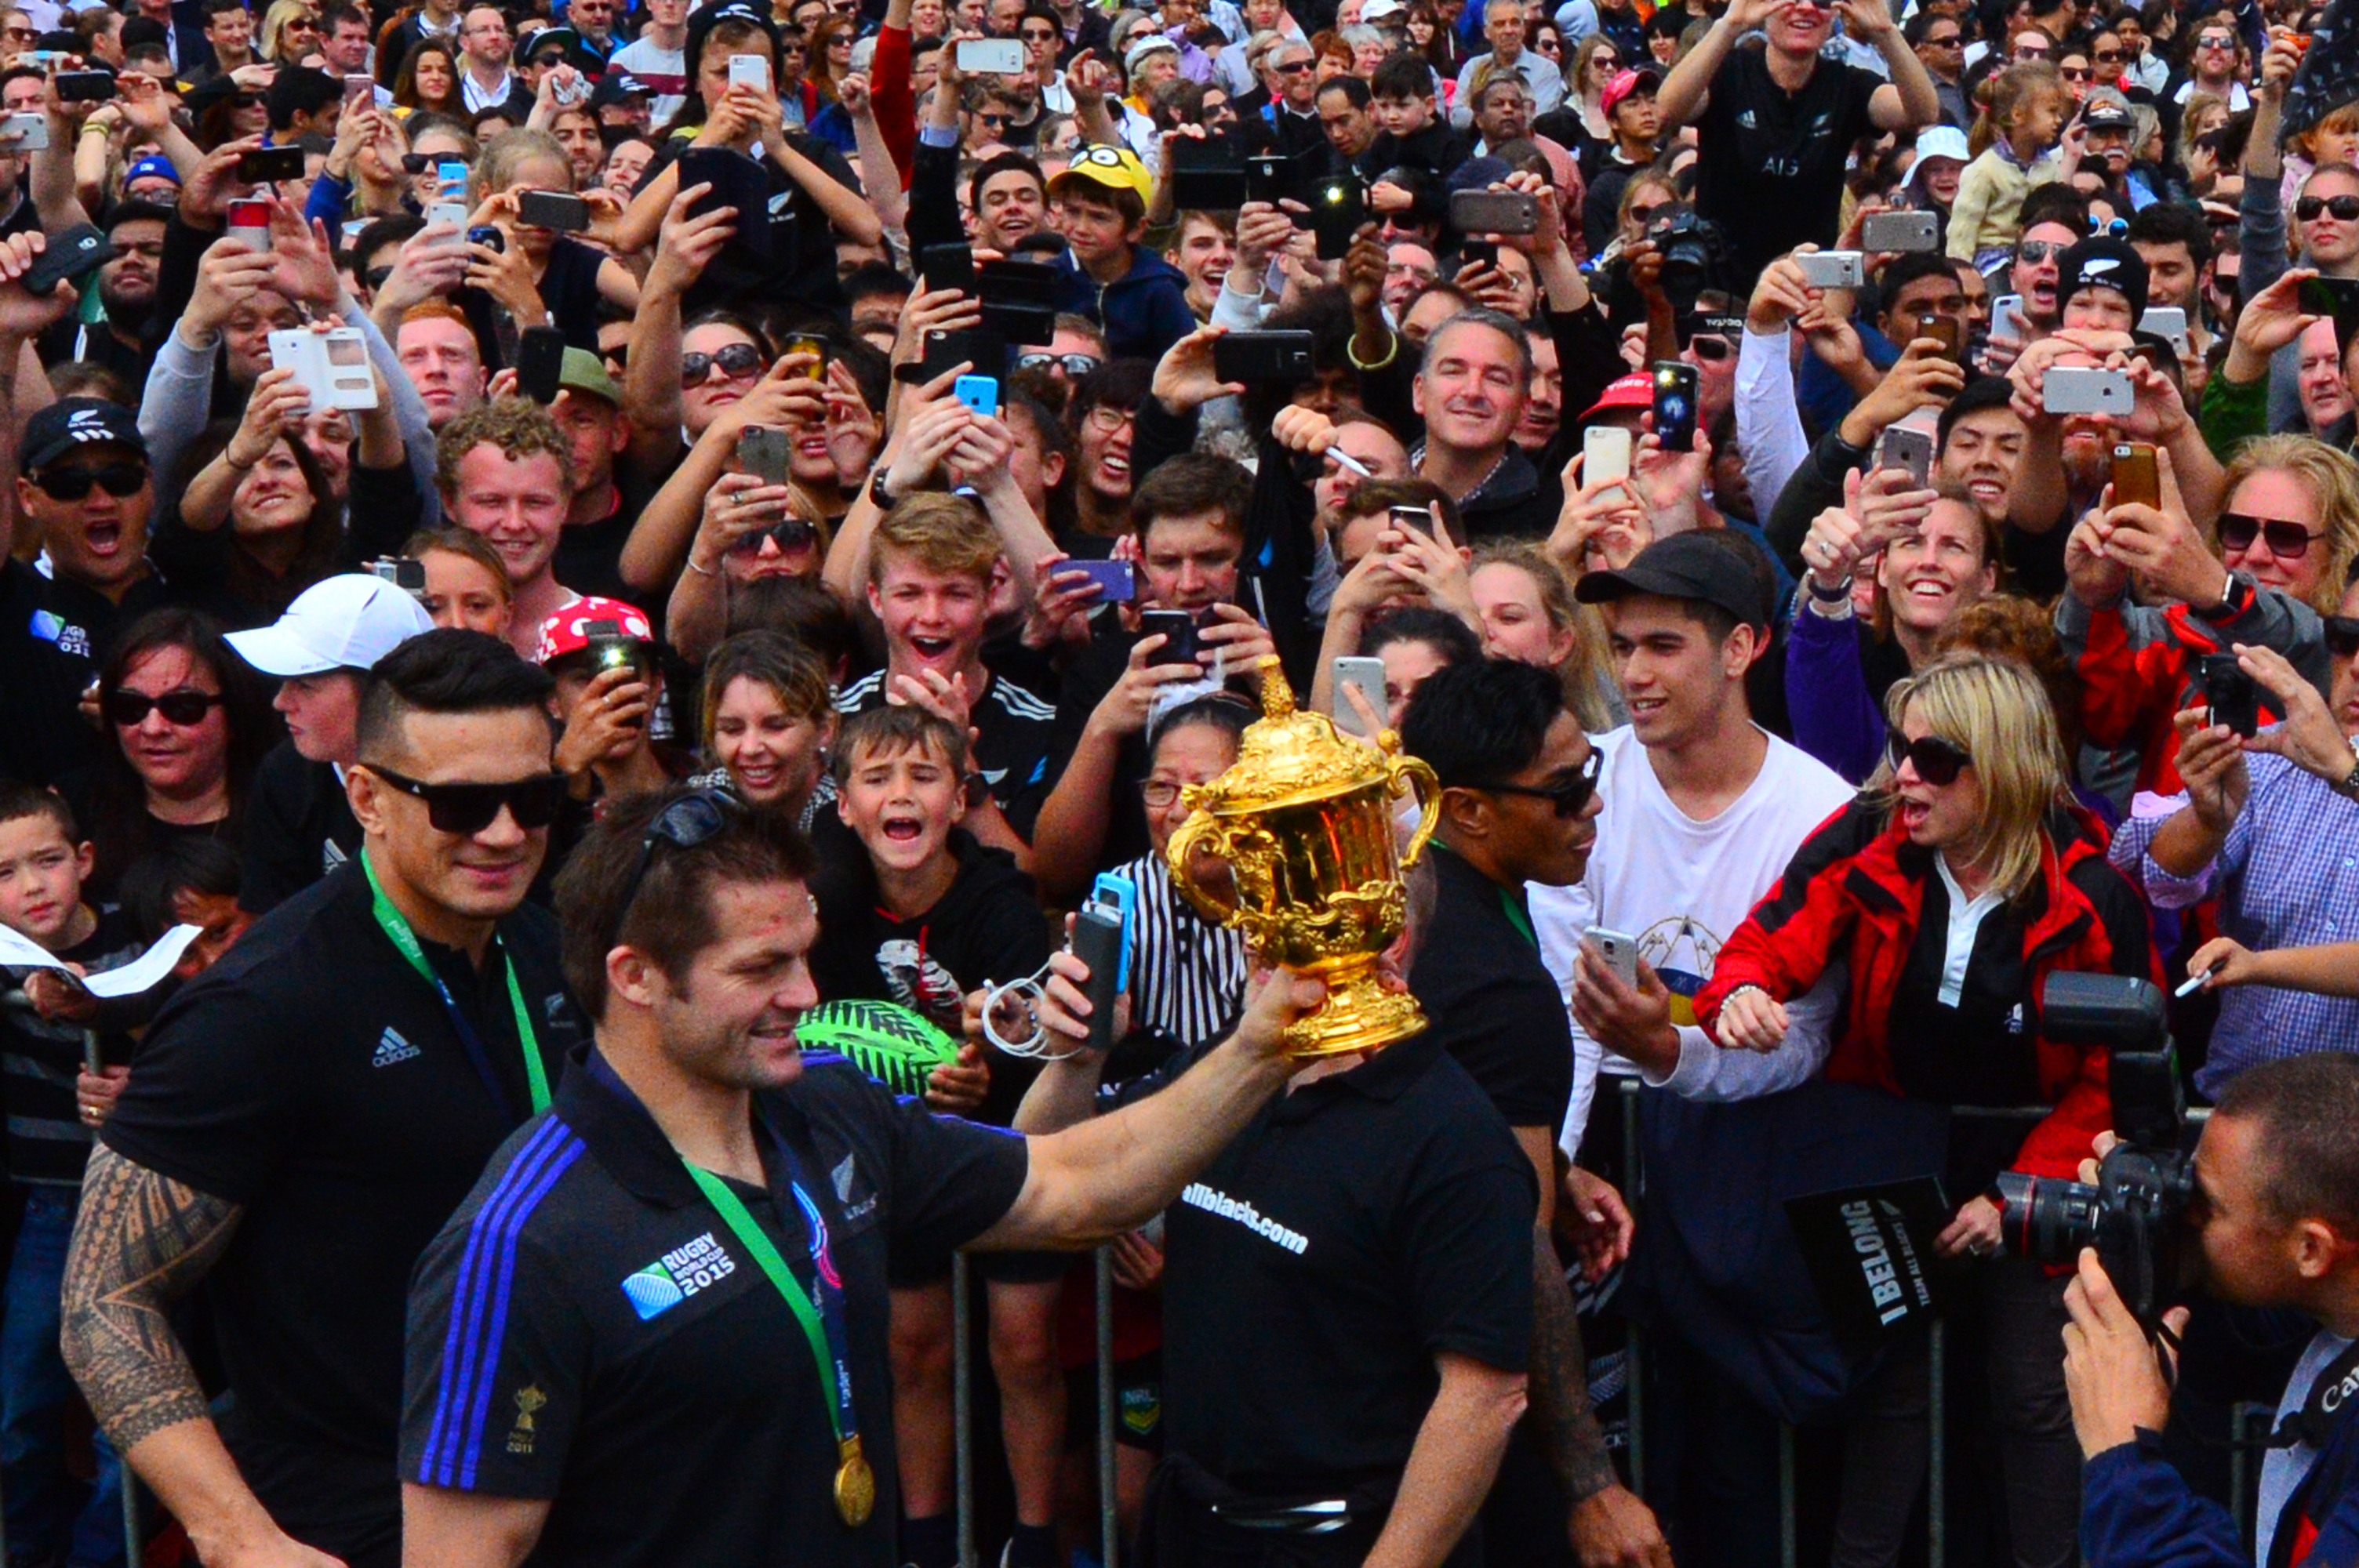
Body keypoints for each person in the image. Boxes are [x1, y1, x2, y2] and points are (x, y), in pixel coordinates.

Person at [394, 782, 1334, 1565]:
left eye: (803, 956)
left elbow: (1071, 1186)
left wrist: (1260, 1046)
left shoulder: (826, 1101)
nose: (804, 995)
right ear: (636, 976)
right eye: (762, 966)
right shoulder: (520, 1241)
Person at [62, 630, 591, 1568]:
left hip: (561, 1492)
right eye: (463, 803)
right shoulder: (263, 1003)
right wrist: (237, 1536)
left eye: (534, 796)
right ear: (367, 800)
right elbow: (105, 1297)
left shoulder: (547, 953)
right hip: (355, 1519)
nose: (506, 830)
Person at [1698, 654, 2157, 1568]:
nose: (1906, 775)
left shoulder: (2090, 886)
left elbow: (2119, 1069)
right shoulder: (1870, 834)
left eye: (1935, 758)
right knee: (1886, 1385)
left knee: (2032, 1391)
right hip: (1889, 1139)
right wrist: (1739, 991)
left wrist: (2018, 1191)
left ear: (2003, 762)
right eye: (1901, 750)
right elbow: (1768, 934)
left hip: (2036, 1150)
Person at [1009, 800, 1538, 1568]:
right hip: (1193, 1524)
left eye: (1290, 912)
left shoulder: (1452, 1138)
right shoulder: (1230, 1068)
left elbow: (1483, 1399)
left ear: (1386, 939)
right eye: (1257, 907)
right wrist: (1074, 1059)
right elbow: (1040, 1173)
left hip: (1338, 1539)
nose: (1254, 933)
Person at [1397, 657, 1669, 1568]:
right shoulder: (1497, 989)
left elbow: (1438, 1128)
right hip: (1442, 1409)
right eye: (1563, 791)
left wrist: (1551, 1158)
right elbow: (1513, 1248)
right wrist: (1590, 1481)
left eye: (1589, 769)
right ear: (1467, 808)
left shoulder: (1412, 901)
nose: (1591, 804)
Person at [2064, 1054, 2359, 1568]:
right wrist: (2150, 1246)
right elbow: (2239, 1353)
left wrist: (2124, 1461)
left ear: (2311, 1250)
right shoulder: (2336, 1312)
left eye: (2208, 1207)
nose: (2189, 1214)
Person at [2109, 608, 2359, 1099]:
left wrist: (2346, 772)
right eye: (2347, 639)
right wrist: (2207, 820)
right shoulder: (2276, 767)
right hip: (2244, 1117)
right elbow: (2153, 875)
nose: (2356, 666)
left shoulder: (2324, 762)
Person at [0, 783, 142, 1568]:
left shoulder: (134, 939)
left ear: (83, 860)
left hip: (137, 1204)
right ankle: (27, 1547)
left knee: (123, 1413)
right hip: (51, 1208)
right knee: (21, 1403)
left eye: (48, 860)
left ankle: (101, 1556)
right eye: (6, 871)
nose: (31, 886)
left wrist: (132, 1070)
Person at [1653, 0, 1939, 279]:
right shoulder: (1728, 73)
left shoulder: (1846, 85)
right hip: (1720, 285)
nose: (1805, 7)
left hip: (1808, 283)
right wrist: (1730, 25)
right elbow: (1668, 110)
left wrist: (1886, 32)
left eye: (1821, 1)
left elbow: (1922, 111)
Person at [231, 573, 437, 914]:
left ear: (381, 693)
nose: (281, 702)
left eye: (306, 684)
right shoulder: (285, 777)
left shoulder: (460, 781)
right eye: (285, 682)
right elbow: (273, 926)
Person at [78, 607, 274, 899]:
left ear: (234, 713)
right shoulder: (75, 812)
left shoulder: (283, 817)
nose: (153, 728)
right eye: (131, 707)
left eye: (183, 707)